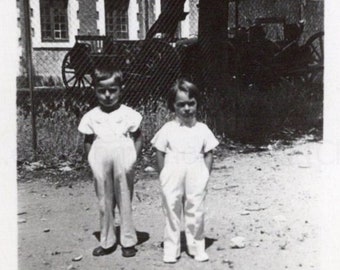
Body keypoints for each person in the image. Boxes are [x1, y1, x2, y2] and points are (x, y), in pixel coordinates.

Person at [151, 78, 219, 263]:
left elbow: (208, 153)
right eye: (181, 104)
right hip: (172, 170)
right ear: (173, 106)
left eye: (191, 103)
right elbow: (160, 152)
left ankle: (197, 247)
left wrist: (205, 174)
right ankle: (171, 249)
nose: (187, 108)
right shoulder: (168, 129)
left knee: (195, 209)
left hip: (196, 170)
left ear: (197, 103)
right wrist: (163, 174)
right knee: (171, 208)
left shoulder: (202, 129)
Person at [78, 67, 143, 257]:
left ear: (121, 89)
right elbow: (88, 141)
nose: (107, 95)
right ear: (95, 90)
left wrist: (133, 159)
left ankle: (128, 240)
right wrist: (93, 163)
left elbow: (138, 137)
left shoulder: (129, 113)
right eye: (102, 90)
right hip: (100, 160)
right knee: (104, 201)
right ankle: (107, 241)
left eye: (112, 90)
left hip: (124, 159)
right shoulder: (91, 116)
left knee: (124, 198)